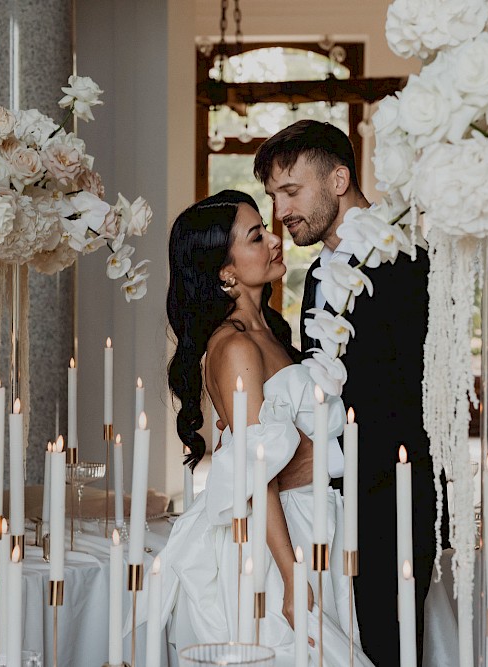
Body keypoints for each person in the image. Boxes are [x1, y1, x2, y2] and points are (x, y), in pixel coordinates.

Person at [255, 120, 439, 666]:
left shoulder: (405, 259)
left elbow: (409, 390)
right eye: (274, 197)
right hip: (327, 502)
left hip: (391, 493)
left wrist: (327, 457)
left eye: (291, 191)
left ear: (339, 179)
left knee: (388, 644)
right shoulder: (316, 277)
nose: (282, 211)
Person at [163, 189, 374, 666]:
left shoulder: (273, 334)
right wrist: (291, 573)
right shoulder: (235, 347)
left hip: (315, 521)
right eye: (256, 237)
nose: (274, 241)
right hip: (277, 537)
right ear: (226, 271)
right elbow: (255, 475)